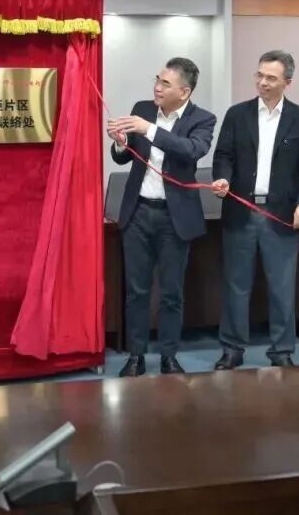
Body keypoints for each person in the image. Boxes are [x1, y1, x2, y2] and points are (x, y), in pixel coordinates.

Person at [211, 50, 299, 369]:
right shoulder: (237, 114)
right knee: (236, 286)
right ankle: (232, 349)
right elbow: (224, 155)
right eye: (259, 75)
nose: (262, 82)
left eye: (271, 78)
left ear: (288, 82)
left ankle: (282, 351)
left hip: (281, 216)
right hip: (240, 213)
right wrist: (223, 178)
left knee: (282, 288)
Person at [106, 58, 216, 376]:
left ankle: (169, 355)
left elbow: (191, 150)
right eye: (157, 80)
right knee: (136, 291)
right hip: (138, 212)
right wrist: (121, 144)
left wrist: (148, 129)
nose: (156, 87)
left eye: (165, 84)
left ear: (184, 92)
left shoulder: (202, 119)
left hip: (174, 218)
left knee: (171, 292)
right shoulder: (142, 108)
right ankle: (136, 356)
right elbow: (125, 156)